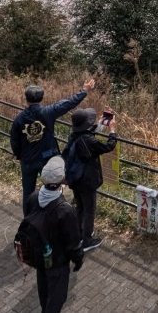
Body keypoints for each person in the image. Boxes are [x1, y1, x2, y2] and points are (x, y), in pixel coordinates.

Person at [10, 77, 95, 214]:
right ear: (41, 98)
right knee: (52, 189)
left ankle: (28, 219)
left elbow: (14, 140)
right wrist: (84, 90)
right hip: (47, 158)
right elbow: (68, 103)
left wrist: (19, 155)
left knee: (28, 192)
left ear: (26, 98)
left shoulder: (19, 119)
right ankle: (51, 216)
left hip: (28, 160)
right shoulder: (48, 112)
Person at [23, 156, 83, 313]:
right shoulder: (66, 210)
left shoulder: (33, 198)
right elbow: (73, 243)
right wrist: (78, 259)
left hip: (40, 257)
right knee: (57, 299)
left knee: (44, 295)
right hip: (58, 262)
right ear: (62, 179)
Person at [64, 108, 117, 251]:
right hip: (87, 180)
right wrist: (112, 130)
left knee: (80, 207)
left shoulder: (74, 135)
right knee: (89, 210)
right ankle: (87, 240)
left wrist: (100, 123)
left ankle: (80, 234)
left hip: (75, 178)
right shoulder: (88, 140)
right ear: (86, 125)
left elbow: (89, 133)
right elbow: (108, 146)